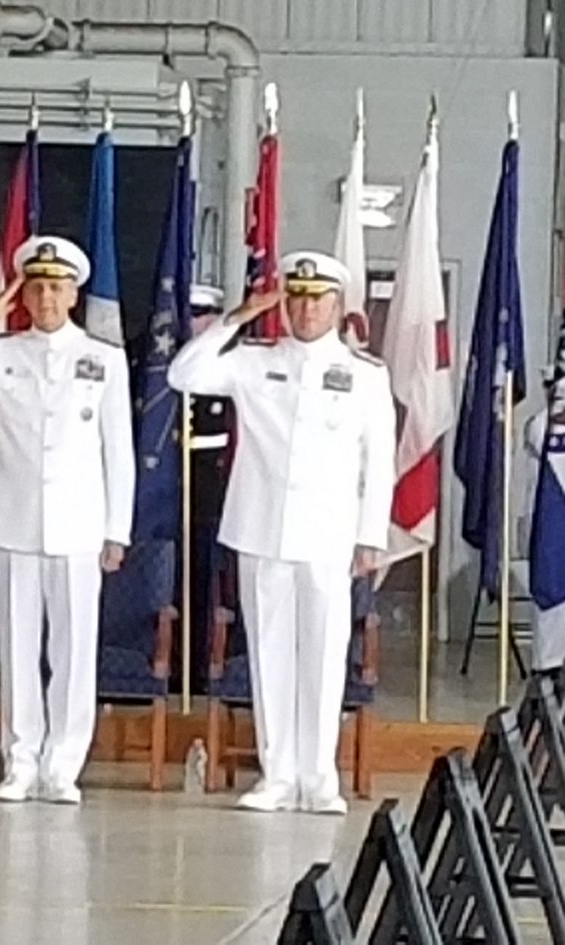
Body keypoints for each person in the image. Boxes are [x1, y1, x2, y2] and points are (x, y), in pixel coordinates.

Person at [167, 250, 395, 814]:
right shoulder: (253, 359)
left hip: (329, 533)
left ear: (339, 306)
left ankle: (319, 777)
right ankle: (276, 773)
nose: (306, 308)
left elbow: (379, 459)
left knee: (322, 654)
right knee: (268, 653)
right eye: (296, 297)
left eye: (317, 298)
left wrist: (370, 535)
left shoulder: (366, 374)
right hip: (261, 528)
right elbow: (184, 375)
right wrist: (239, 317)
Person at [0, 235, 135, 805]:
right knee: (18, 647)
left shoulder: (105, 359)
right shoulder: (0, 352)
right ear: (23, 294)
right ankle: (21, 761)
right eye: (37, 287)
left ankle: (63, 764)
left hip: (79, 525)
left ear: (74, 293)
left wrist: (117, 530)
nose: (46, 297)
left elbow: (118, 449)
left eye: (57, 287)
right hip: (12, 521)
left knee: (73, 650)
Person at [520, 367, 565, 673]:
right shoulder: (542, 424)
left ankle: (564, 658)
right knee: (548, 597)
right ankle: (548, 662)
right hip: (544, 522)